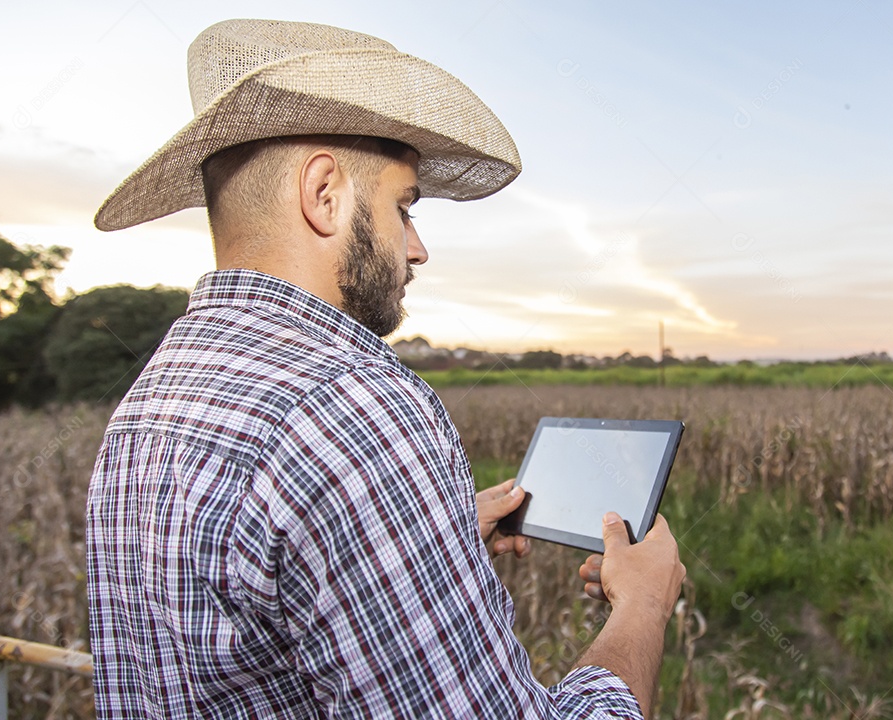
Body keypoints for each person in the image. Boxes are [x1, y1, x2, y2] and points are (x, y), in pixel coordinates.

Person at [87, 18, 685, 719]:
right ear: (324, 195)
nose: (418, 247)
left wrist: (426, 540)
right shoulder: (351, 406)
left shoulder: (150, 398)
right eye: (404, 207)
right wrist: (641, 608)